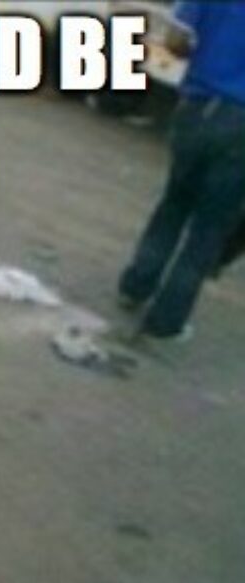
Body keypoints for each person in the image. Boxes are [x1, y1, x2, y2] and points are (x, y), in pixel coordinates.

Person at [117, 0, 245, 341]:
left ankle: (136, 285)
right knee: (209, 229)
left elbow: (177, 39)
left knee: (173, 205)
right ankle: (166, 321)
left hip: (197, 107)